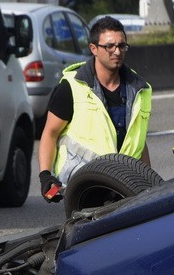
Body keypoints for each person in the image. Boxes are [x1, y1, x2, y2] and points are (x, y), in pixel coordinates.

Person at [37, 16, 152, 202]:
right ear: (94, 49)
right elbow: (50, 133)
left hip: (125, 188)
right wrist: (45, 176)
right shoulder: (72, 87)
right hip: (85, 189)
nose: (117, 51)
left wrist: (148, 181)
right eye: (110, 46)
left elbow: (139, 142)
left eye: (122, 46)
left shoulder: (139, 89)